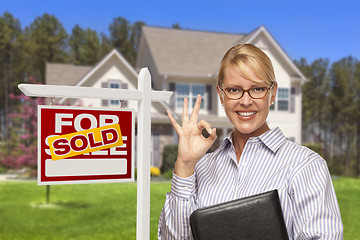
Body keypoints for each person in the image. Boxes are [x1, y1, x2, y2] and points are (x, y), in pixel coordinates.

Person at [158, 44, 343, 239]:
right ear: (221, 94)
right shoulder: (202, 168)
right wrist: (185, 165)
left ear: (273, 93)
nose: (245, 101)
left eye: (257, 89)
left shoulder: (306, 166)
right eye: (234, 90)